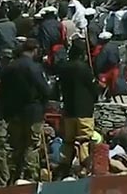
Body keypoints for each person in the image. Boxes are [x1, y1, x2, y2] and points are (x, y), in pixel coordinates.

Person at [0, 40, 49, 182]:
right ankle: (29, 175)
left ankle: (14, 175)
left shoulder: (9, 67)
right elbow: (45, 90)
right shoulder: (34, 67)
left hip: (14, 112)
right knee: (32, 145)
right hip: (33, 111)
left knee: (16, 145)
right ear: (35, 50)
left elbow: (1, 91)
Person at [56, 40, 98, 175]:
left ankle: (64, 166)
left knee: (68, 141)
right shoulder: (84, 68)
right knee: (84, 139)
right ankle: (84, 167)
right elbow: (93, 89)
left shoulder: (64, 68)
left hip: (69, 109)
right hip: (84, 110)